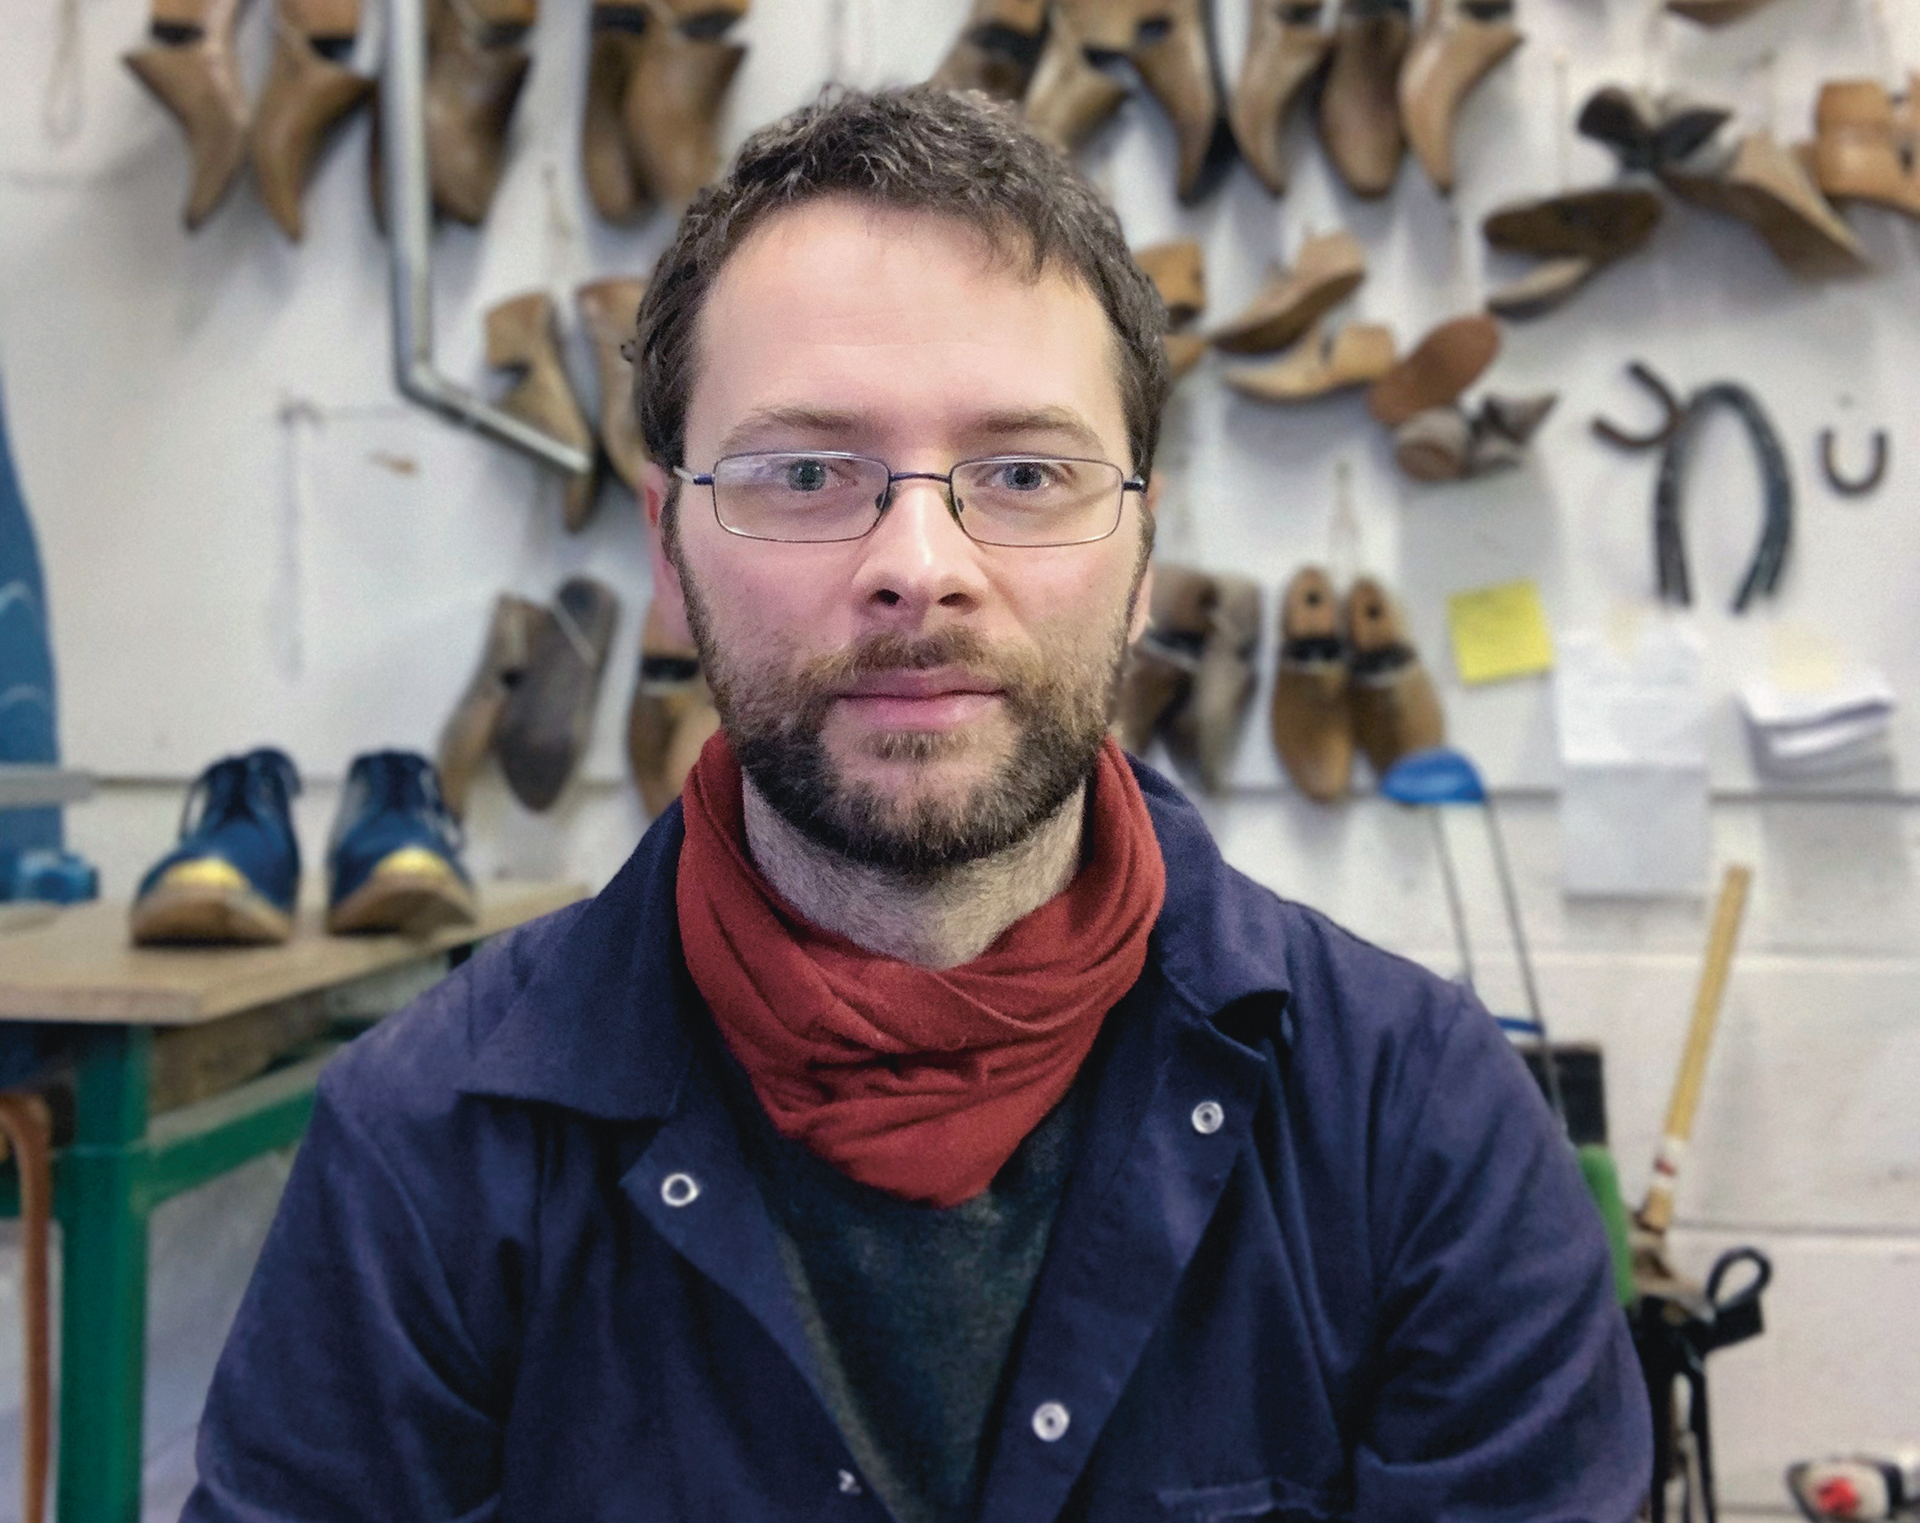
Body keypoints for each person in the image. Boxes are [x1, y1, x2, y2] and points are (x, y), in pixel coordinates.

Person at [185, 87, 1651, 1523]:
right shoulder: (431, 1146)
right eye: (809, 471)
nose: (920, 563)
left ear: (1143, 557)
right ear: (667, 551)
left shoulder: (1421, 1129)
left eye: (1022, 472)